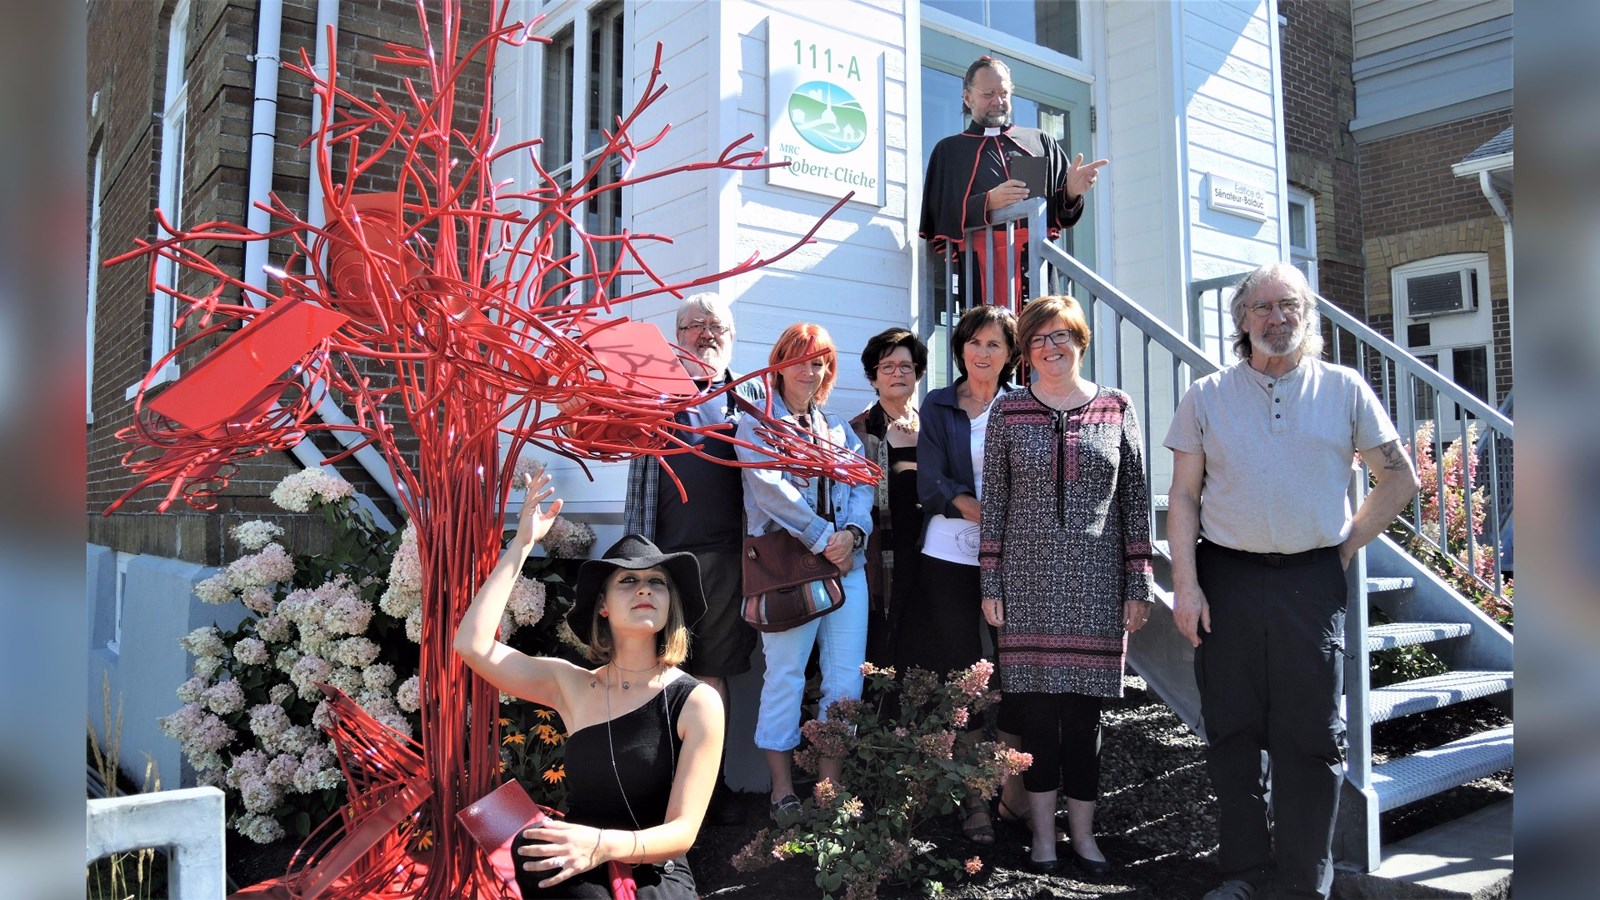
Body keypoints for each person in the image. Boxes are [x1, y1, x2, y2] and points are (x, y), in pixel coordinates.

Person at [1164, 263, 1420, 900]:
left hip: (1311, 581)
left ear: (1308, 315)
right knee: (1231, 729)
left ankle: (1304, 884)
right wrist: (1187, 587)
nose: (1277, 318)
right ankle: (1244, 873)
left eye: (1290, 306)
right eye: (1263, 307)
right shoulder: (1207, 395)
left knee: (1310, 735)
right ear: (1241, 319)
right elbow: (1184, 497)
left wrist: (1344, 547)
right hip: (1226, 578)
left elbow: (1400, 479)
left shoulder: (1344, 388)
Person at [455, 471, 724, 898]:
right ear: (603, 606)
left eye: (657, 582)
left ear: (669, 603)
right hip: (578, 869)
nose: (644, 589)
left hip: (652, 873)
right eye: (628, 581)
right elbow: (471, 645)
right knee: (528, 847)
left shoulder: (696, 701)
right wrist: (522, 544)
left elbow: (682, 833)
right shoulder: (572, 685)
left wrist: (599, 846)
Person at [979, 295, 1155, 875]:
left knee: (1083, 721)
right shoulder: (1008, 411)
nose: (1050, 347)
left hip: (1097, 585)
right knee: (1034, 718)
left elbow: (1134, 500)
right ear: (1025, 352)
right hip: (1026, 585)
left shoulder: (1116, 406)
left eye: (1060, 335)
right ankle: (1043, 837)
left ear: (1080, 339)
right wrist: (991, 580)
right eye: (1037, 339)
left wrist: (1138, 581)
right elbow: (995, 503)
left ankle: (1083, 837)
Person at [623, 292, 764, 823]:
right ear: (676, 337)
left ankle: (710, 792)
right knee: (657, 669)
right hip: (660, 562)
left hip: (728, 561)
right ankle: (657, 792)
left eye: (716, 326)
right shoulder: (652, 394)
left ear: (732, 336)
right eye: (693, 325)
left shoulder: (749, 395)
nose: (706, 334)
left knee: (712, 675)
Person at [733, 323, 874, 824]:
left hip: (846, 566)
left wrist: (853, 535)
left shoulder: (837, 429)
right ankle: (781, 792)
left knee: (845, 680)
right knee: (786, 677)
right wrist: (824, 539)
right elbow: (770, 491)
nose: (808, 371)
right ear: (779, 364)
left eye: (818, 362)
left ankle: (830, 789)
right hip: (785, 567)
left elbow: (862, 483)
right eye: (798, 360)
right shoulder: (757, 425)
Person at [906, 304, 1018, 844]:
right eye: (974, 342)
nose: (982, 352)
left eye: (994, 343)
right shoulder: (938, 402)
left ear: (1010, 353)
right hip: (948, 554)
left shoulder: (1024, 405)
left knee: (1014, 669)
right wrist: (990, 513)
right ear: (960, 349)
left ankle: (1013, 792)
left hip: (1014, 557)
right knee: (962, 671)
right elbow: (931, 482)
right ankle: (973, 799)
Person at [919, 55, 1107, 305]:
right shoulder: (950, 150)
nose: (997, 101)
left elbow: (1057, 216)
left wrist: (1071, 192)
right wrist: (988, 202)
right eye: (988, 93)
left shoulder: (1038, 142)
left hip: (1035, 265)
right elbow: (938, 216)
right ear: (967, 97)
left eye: (1004, 93)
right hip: (981, 268)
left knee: (1040, 328)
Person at [846, 328, 929, 668]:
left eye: (906, 366)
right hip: (882, 561)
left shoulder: (934, 428)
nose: (898, 373)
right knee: (883, 652)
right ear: (873, 377)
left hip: (932, 557)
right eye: (888, 367)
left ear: (917, 373)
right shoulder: (857, 432)